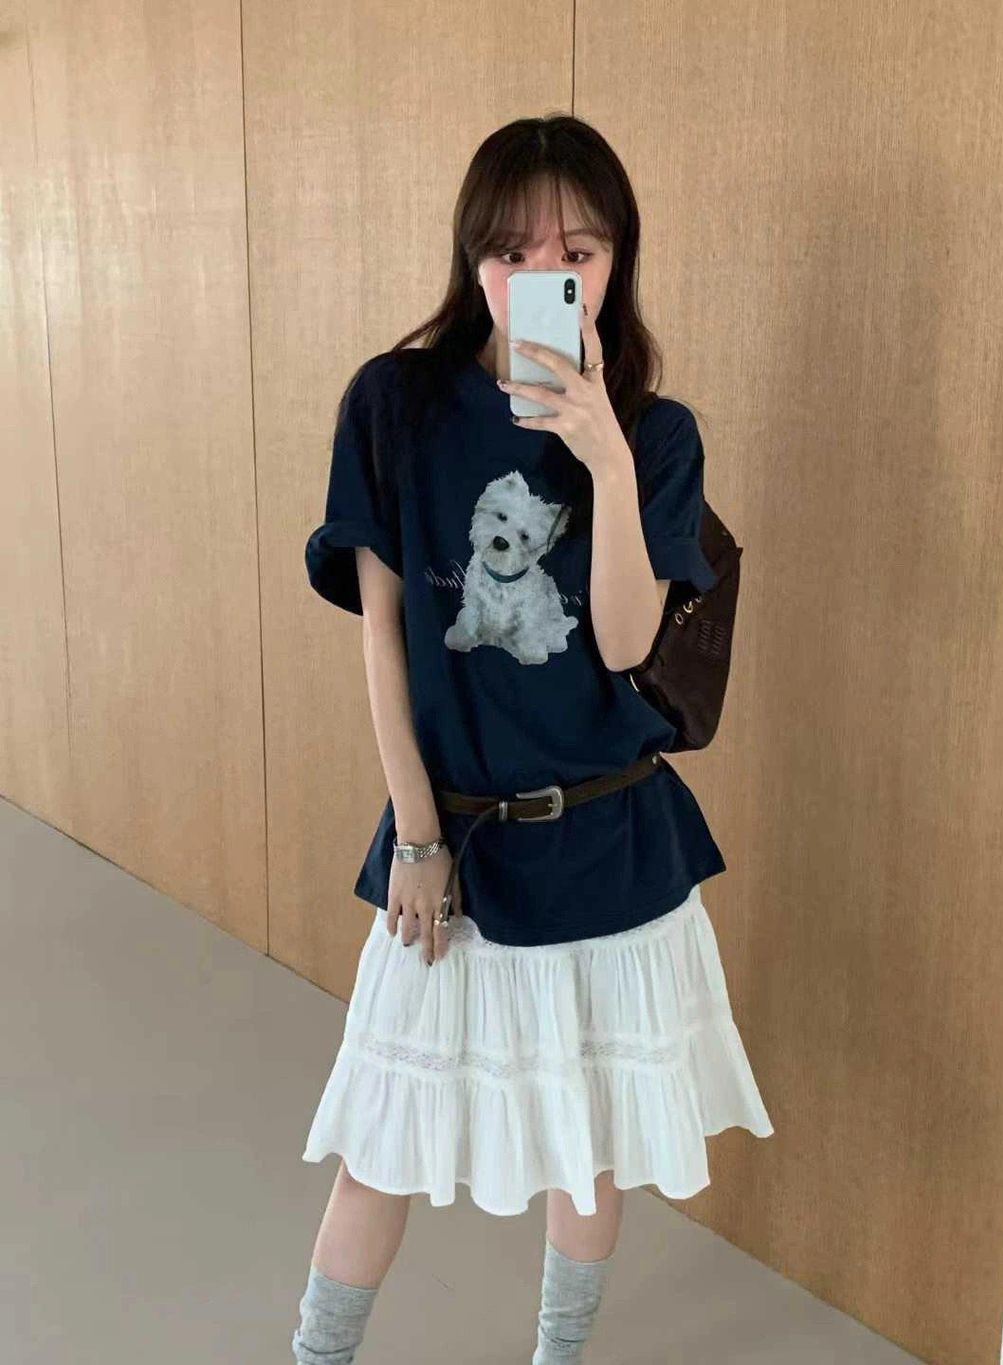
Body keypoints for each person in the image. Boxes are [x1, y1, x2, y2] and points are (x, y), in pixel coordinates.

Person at [291, 113, 774, 1365]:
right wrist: (415, 835)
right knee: (378, 1144)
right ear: (472, 260)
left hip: (612, 845)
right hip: (457, 844)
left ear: (616, 264)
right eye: (510, 252)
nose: (542, 275)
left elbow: (622, 643)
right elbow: (385, 633)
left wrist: (604, 461)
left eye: (577, 251)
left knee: (586, 1147)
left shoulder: (655, 437)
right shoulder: (395, 404)